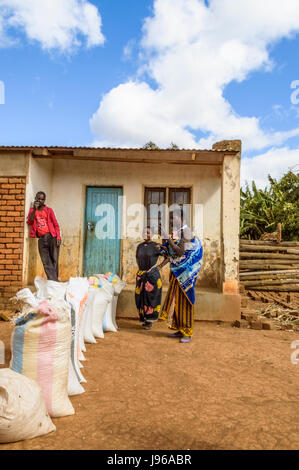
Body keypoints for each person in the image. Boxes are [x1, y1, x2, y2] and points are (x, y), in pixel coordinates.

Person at [159, 211, 203, 343]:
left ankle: (188, 332)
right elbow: (171, 253)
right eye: (171, 218)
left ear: (182, 218)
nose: (172, 220)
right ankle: (180, 328)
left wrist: (167, 238)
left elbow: (180, 251)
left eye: (175, 217)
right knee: (177, 301)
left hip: (185, 273)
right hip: (178, 271)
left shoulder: (187, 231)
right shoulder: (178, 232)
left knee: (185, 300)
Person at [135, 226, 168, 330]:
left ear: (152, 234)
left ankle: (150, 321)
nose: (146, 234)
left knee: (150, 299)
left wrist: (159, 267)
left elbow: (168, 257)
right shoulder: (139, 246)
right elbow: (137, 258)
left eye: (148, 232)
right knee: (140, 299)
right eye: (144, 232)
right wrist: (141, 271)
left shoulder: (156, 246)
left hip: (152, 276)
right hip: (141, 275)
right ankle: (144, 319)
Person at [27, 191, 61, 281]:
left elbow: (55, 224)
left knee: (54, 259)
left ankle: (54, 281)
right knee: (46, 261)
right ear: (35, 199)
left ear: (44, 200)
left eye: (42, 199)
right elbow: (29, 222)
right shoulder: (32, 211)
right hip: (41, 239)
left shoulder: (49, 210)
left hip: (52, 237)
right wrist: (34, 209)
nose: (40, 200)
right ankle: (54, 281)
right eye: (38, 198)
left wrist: (58, 237)